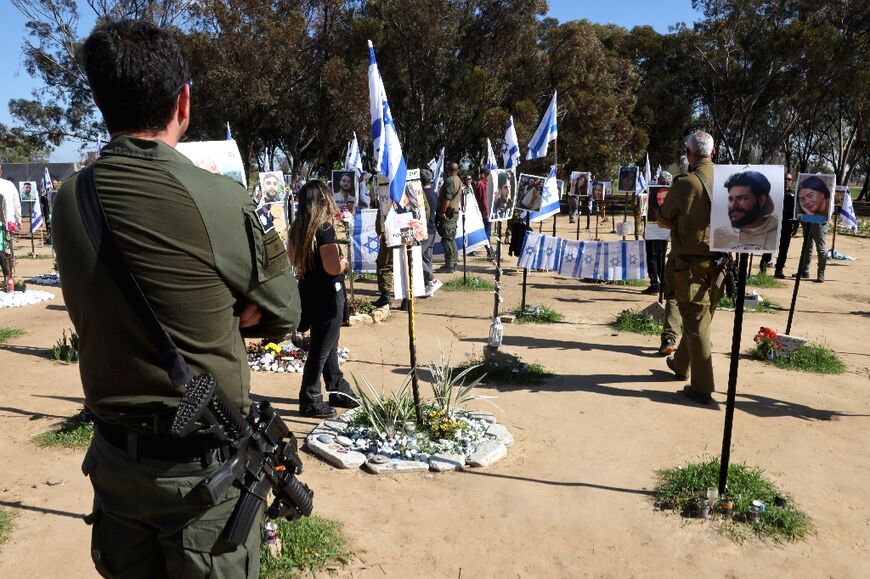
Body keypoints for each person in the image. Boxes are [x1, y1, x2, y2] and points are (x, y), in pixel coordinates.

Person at [51, 20, 300, 578]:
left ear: (102, 100)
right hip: (201, 482)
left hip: (115, 463)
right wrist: (233, 308)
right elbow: (286, 306)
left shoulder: (68, 200)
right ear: (182, 101)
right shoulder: (221, 198)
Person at [657, 131, 723, 406]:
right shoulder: (729, 180)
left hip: (690, 265)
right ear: (714, 152)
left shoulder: (685, 183)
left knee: (697, 325)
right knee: (701, 319)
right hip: (720, 266)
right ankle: (680, 363)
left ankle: (702, 388)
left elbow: (662, 220)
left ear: (688, 153)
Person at [288, 180, 357, 418]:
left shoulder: (297, 228)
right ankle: (310, 399)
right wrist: (343, 264)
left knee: (329, 343)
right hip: (328, 294)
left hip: (309, 291)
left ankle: (338, 387)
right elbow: (332, 267)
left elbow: (293, 259)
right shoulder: (324, 229)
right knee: (321, 348)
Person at [712, 171, 779, 251]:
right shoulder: (720, 234)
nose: (733, 206)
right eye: (731, 199)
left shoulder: (777, 233)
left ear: (761, 200)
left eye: (741, 198)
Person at [794, 175, 832, 282]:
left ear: (822, 193)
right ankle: (804, 271)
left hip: (819, 222)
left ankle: (821, 273)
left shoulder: (824, 212)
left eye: (810, 195)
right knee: (807, 246)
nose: (806, 202)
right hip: (807, 220)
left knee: (820, 248)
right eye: (802, 199)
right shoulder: (808, 210)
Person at [759, 172, 798, 278]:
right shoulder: (774, 193)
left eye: (789, 179)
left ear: (791, 182)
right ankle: (763, 268)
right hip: (773, 224)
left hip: (787, 225)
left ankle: (779, 270)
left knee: (784, 248)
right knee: (769, 246)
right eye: (785, 179)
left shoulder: (793, 195)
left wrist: (796, 226)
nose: (787, 181)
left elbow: (796, 211)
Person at [436, 162, 462, 273]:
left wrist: (442, 211)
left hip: (448, 213)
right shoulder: (458, 180)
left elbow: (447, 198)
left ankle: (449, 265)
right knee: (451, 238)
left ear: (448, 169)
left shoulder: (450, 181)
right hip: (453, 212)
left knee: (447, 239)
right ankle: (453, 262)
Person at [419, 169, 442, 296]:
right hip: (432, 229)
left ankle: (432, 280)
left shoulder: (422, 194)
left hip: (425, 230)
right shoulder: (433, 193)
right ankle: (429, 286)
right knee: (427, 258)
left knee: (416, 257)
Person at [0, 165, 22, 290]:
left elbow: (16, 204)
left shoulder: (9, 185)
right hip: (8, 223)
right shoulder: (9, 185)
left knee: (7, 251)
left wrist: (18, 220)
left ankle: (9, 279)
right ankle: (9, 279)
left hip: (7, 224)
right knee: (7, 252)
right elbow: (17, 204)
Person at [475, 168, 495, 260]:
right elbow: (483, 200)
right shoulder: (481, 184)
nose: (488, 177)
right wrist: (486, 213)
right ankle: (489, 251)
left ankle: (489, 250)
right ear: (483, 175)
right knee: (486, 231)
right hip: (485, 212)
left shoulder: (484, 184)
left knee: (487, 231)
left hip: (486, 211)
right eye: (487, 175)